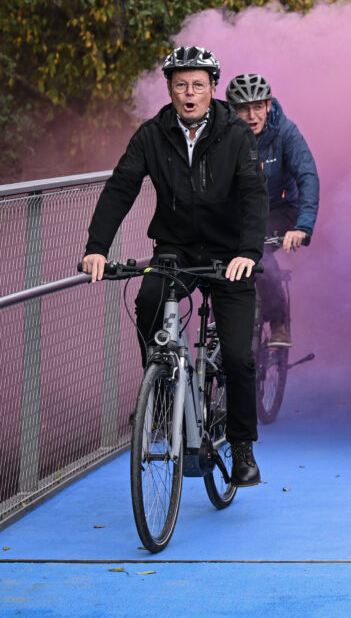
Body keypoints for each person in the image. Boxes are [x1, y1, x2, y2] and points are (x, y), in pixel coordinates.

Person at [80, 45, 268, 487]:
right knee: (148, 300)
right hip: (176, 249)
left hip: (230, 255)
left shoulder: (236, 134)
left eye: (198, 85)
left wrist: (248, 251)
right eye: (180, 84)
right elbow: (121, 187)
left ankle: (242, 447)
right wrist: (97, 246)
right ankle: (162, 388)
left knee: (239, 357)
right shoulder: (151, 134)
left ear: (212, 89)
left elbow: (254, 196)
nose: (189, 93)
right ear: (168, 89)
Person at [226, 73, 320, 348]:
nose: (252, 115)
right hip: (239, 212)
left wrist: (303, 226)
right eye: (243, 108)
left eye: (258, 106)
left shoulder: (285, 131)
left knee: (259, 254)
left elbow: (307, 177)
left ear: (268, 105)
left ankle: (278, 323)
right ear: (233, 111)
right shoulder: (223, 134)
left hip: (278, 210)